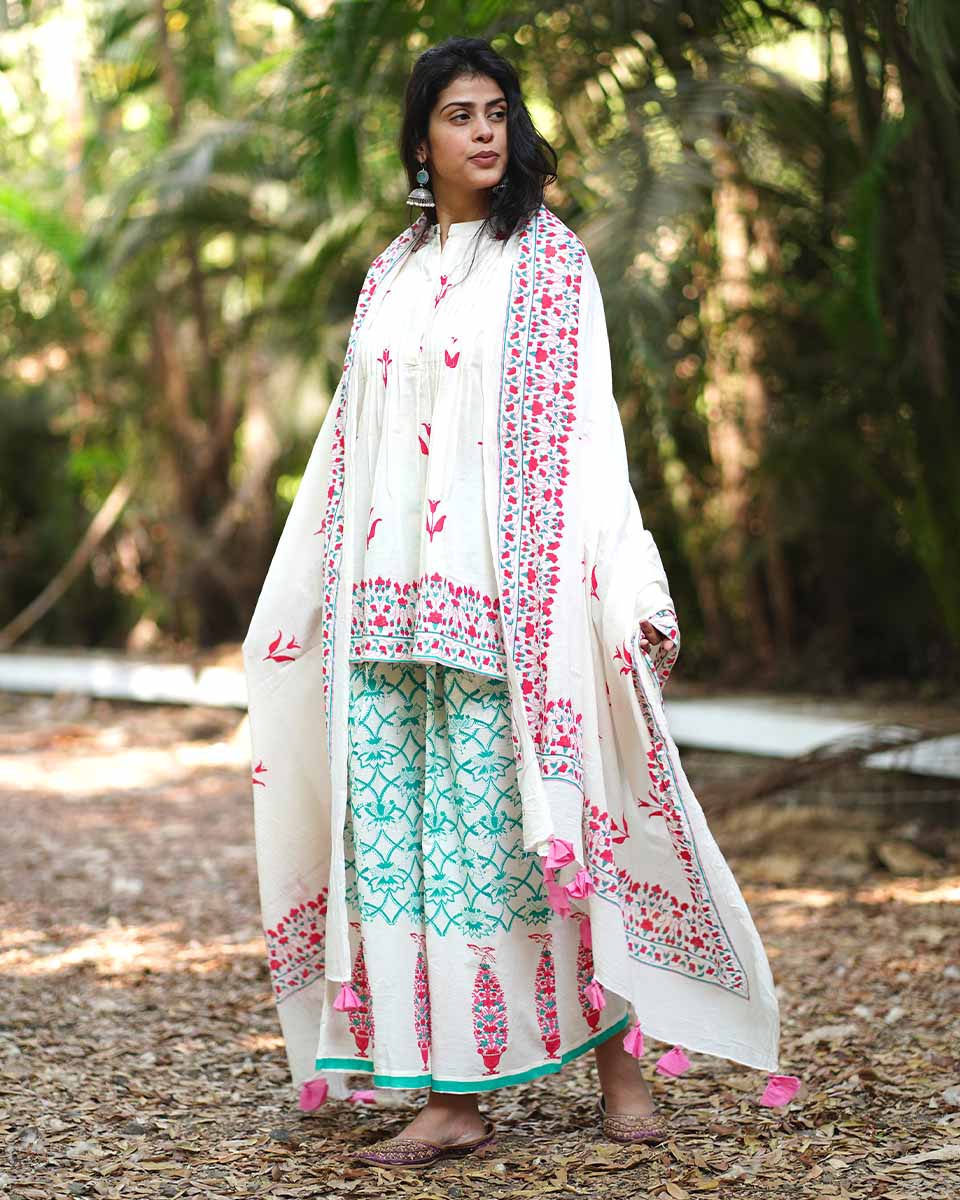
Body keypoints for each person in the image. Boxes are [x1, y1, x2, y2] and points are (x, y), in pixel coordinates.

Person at [241, 36, 792, 1171]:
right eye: (460, 114)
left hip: (508, 612)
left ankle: (622, 1066)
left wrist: (623, 579)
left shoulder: (548, 263)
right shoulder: (389, 277)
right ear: (421, 140)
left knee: (545, 836)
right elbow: (351, 444)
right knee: (416, 857)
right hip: (384, 616)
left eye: (497, 111)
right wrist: (303, 601)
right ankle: (451, 1097)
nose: (485, 131)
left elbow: (587, 434)